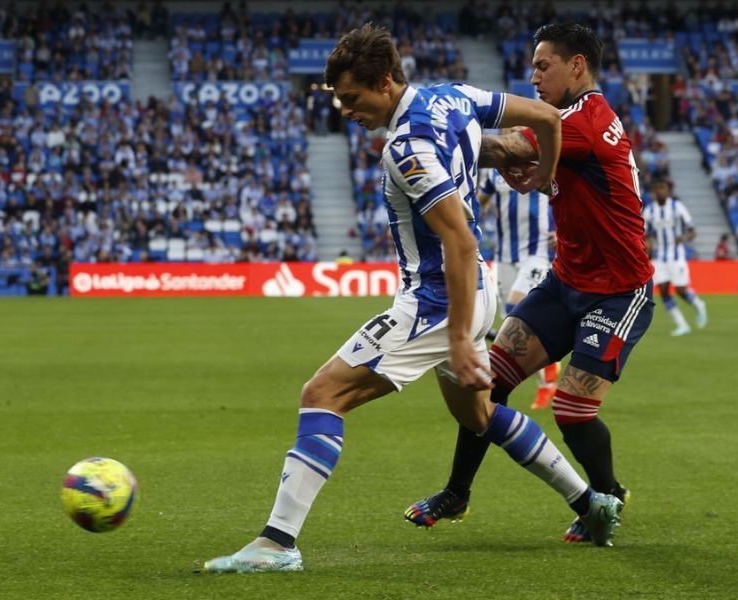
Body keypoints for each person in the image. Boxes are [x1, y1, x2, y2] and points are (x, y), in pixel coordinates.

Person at [203, 23, 622, 574]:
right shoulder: (453, 95)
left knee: (322, 393)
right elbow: (545, 118)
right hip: (477, 290)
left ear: (383, 82)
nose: (346, 111)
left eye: (352, 98)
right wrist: (544, 176)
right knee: (480, 416)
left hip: (437, 300)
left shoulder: (408, 148)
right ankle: (590, 503)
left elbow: (459, 239)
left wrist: (459, 341)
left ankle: (278, 543)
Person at [405, 23, 655, 545]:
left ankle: (605, 499)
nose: (534, 76)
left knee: (571, 409)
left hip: (618, 290)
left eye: (544, 66)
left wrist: (431, 133)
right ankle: (457, 493)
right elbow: (531, 159)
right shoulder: (568, 125)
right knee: (483, 382)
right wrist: (538, 170)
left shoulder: (584, 120)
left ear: (577, 66)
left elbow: (503, 148)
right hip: (566, 281)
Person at [478, 166, 560, 409]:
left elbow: (566, 194)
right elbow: (478, 205)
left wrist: (562, 230)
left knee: (517, 306)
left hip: (537, 252)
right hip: (504, 255)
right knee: (513, 327)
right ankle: (546, 379)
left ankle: (547, 377)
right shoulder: (495, 174)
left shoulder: (542, 167)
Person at [642, 178, 708, 336]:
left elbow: (692, 230)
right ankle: (682, 324)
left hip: (676, 255)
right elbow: (644, 233)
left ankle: (699, 304)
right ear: (653, 193)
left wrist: (684, 237)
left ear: (667, 190)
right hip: (659, 257)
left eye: (662, 188)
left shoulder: (677, 207)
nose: (660, 192)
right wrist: (648, 243)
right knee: (663, 290)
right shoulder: (649, 211)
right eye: (657, 189)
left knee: (680, 290)